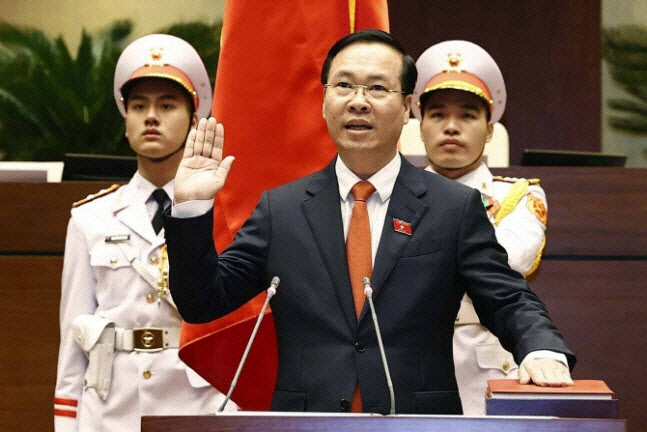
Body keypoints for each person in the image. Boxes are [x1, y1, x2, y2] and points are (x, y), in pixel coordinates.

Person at [164, 29, 575, 415]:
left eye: (378, 88)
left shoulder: (452, 207)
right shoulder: (282, 209)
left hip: (416, 421)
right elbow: (202, 302)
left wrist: (541, 351)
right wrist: (191, 209)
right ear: (324, 101)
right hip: (308, 421)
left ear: (408, 107)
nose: (358, 101)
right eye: (344, 86)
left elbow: (507, 298)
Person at [53, 34, 235, 432]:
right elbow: (74, 334)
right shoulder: (91, 217)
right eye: (139, 106)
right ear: (125, 120)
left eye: (167, 105)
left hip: (199, 403)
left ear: (193, 117)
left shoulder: (223, 212)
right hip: (112, 410)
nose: (151, 117)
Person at [412, 40, 549, 415]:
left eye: (468, 116)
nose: (451, 127)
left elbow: (508, 265)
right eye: (437, 114)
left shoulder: (518, 196)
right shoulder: (389, 193)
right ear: (419, 125)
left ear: (490, 130)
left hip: (485, 368)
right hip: (405, 362)